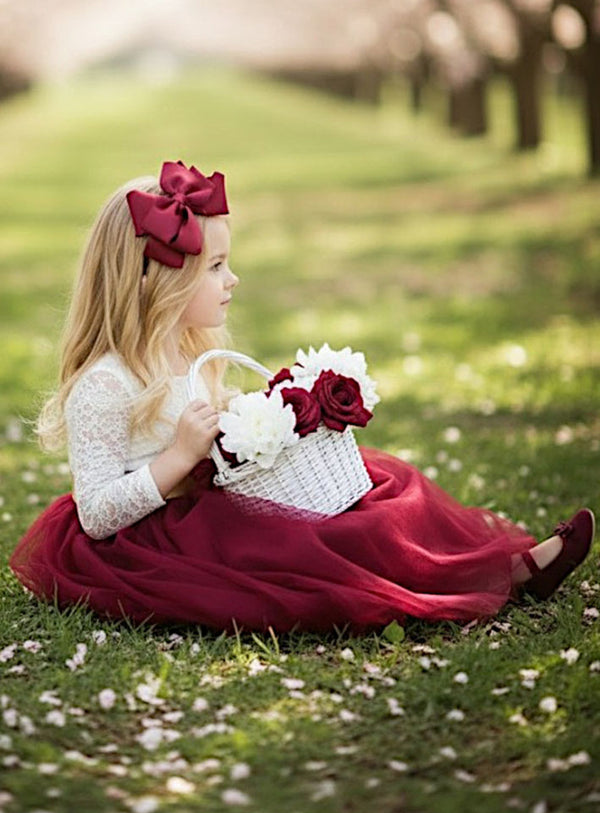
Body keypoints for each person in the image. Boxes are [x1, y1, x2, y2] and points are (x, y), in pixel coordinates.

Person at [9, 160, 596, 634]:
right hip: (165, 544)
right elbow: (95, 514)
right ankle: (495, 577)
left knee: (383, 486)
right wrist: (176, 460)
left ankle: (506, 563)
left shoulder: (190, 352)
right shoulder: (105, 384)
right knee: (327, 541)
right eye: (215, 266)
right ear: (152, 279)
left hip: (220, 508)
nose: (231, 279)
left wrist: (267, 424)